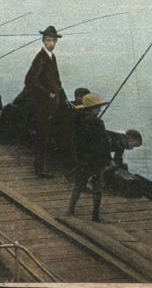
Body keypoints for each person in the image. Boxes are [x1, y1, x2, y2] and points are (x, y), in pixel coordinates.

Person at [66, 92, 113, 222]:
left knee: (79, 184)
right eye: (97, 108)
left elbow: (77, 141)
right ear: (92, 108)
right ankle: (95, 216)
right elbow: (103, 143)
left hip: (82, 159)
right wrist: (107, 160)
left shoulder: (78, 120)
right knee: (98, 187)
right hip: (95, 160)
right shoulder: (97, 123)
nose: (99, 110)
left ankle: (70, 209)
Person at [25, 25, 65, 177]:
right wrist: (47, 94)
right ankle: (40, 169)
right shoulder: (41, 58)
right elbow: (30, 81)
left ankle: (42, 167)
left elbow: (56, 81)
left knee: (46, 136)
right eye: (49, 40)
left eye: (54, 40)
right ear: (43, 41)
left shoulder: (51, 57)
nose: (52, 43)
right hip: (43, 106)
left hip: (51, 105)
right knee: (42, 137)